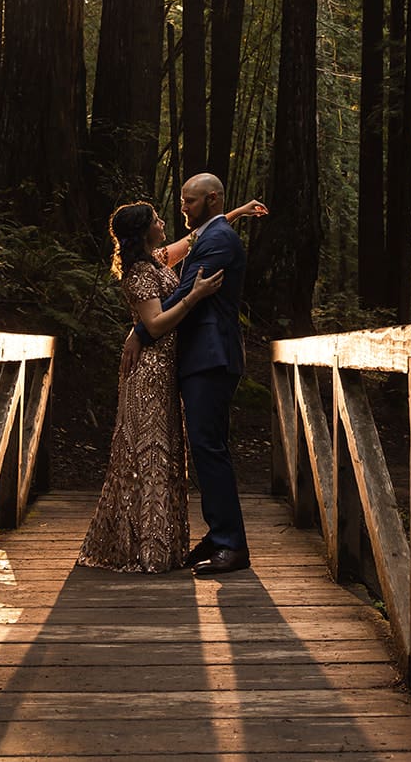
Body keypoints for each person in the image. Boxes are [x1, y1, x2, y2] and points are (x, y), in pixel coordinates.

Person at [78, 195, 265, 572]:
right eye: (156, 218)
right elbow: (157, 323)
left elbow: (200, 235)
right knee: (145, 452)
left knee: (167, 451)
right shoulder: (139, 272)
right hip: (147, 370)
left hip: (168, 367)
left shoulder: (157, 260)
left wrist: (237, 213)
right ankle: (140, 546)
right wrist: (192, 296)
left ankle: (166, 541)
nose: (164, 220)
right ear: (143, 230)